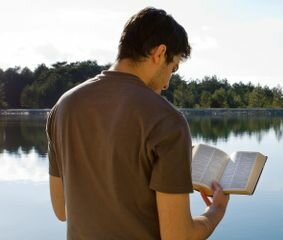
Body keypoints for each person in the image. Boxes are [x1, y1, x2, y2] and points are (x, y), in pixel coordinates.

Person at [46, 7, 229, 239]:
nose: (166, 85)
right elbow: (177, 236)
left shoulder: (63, 107)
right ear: (159, 53)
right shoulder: (167, 120)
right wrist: (216, 210)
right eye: (173, 69)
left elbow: (61, 210)